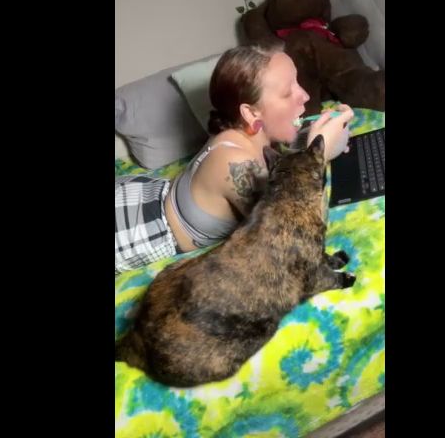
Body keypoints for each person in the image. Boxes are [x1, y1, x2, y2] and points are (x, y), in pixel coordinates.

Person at [115, 44, 353, 275]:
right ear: (250, 113)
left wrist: (322, 140)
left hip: (147, 194)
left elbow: (285, 163)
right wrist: (318, 156)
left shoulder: (245, 134)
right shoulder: (237, 163)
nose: (305, 96)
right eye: (287, 92)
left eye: (297, 82)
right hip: (132, 228)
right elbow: (296, 241)